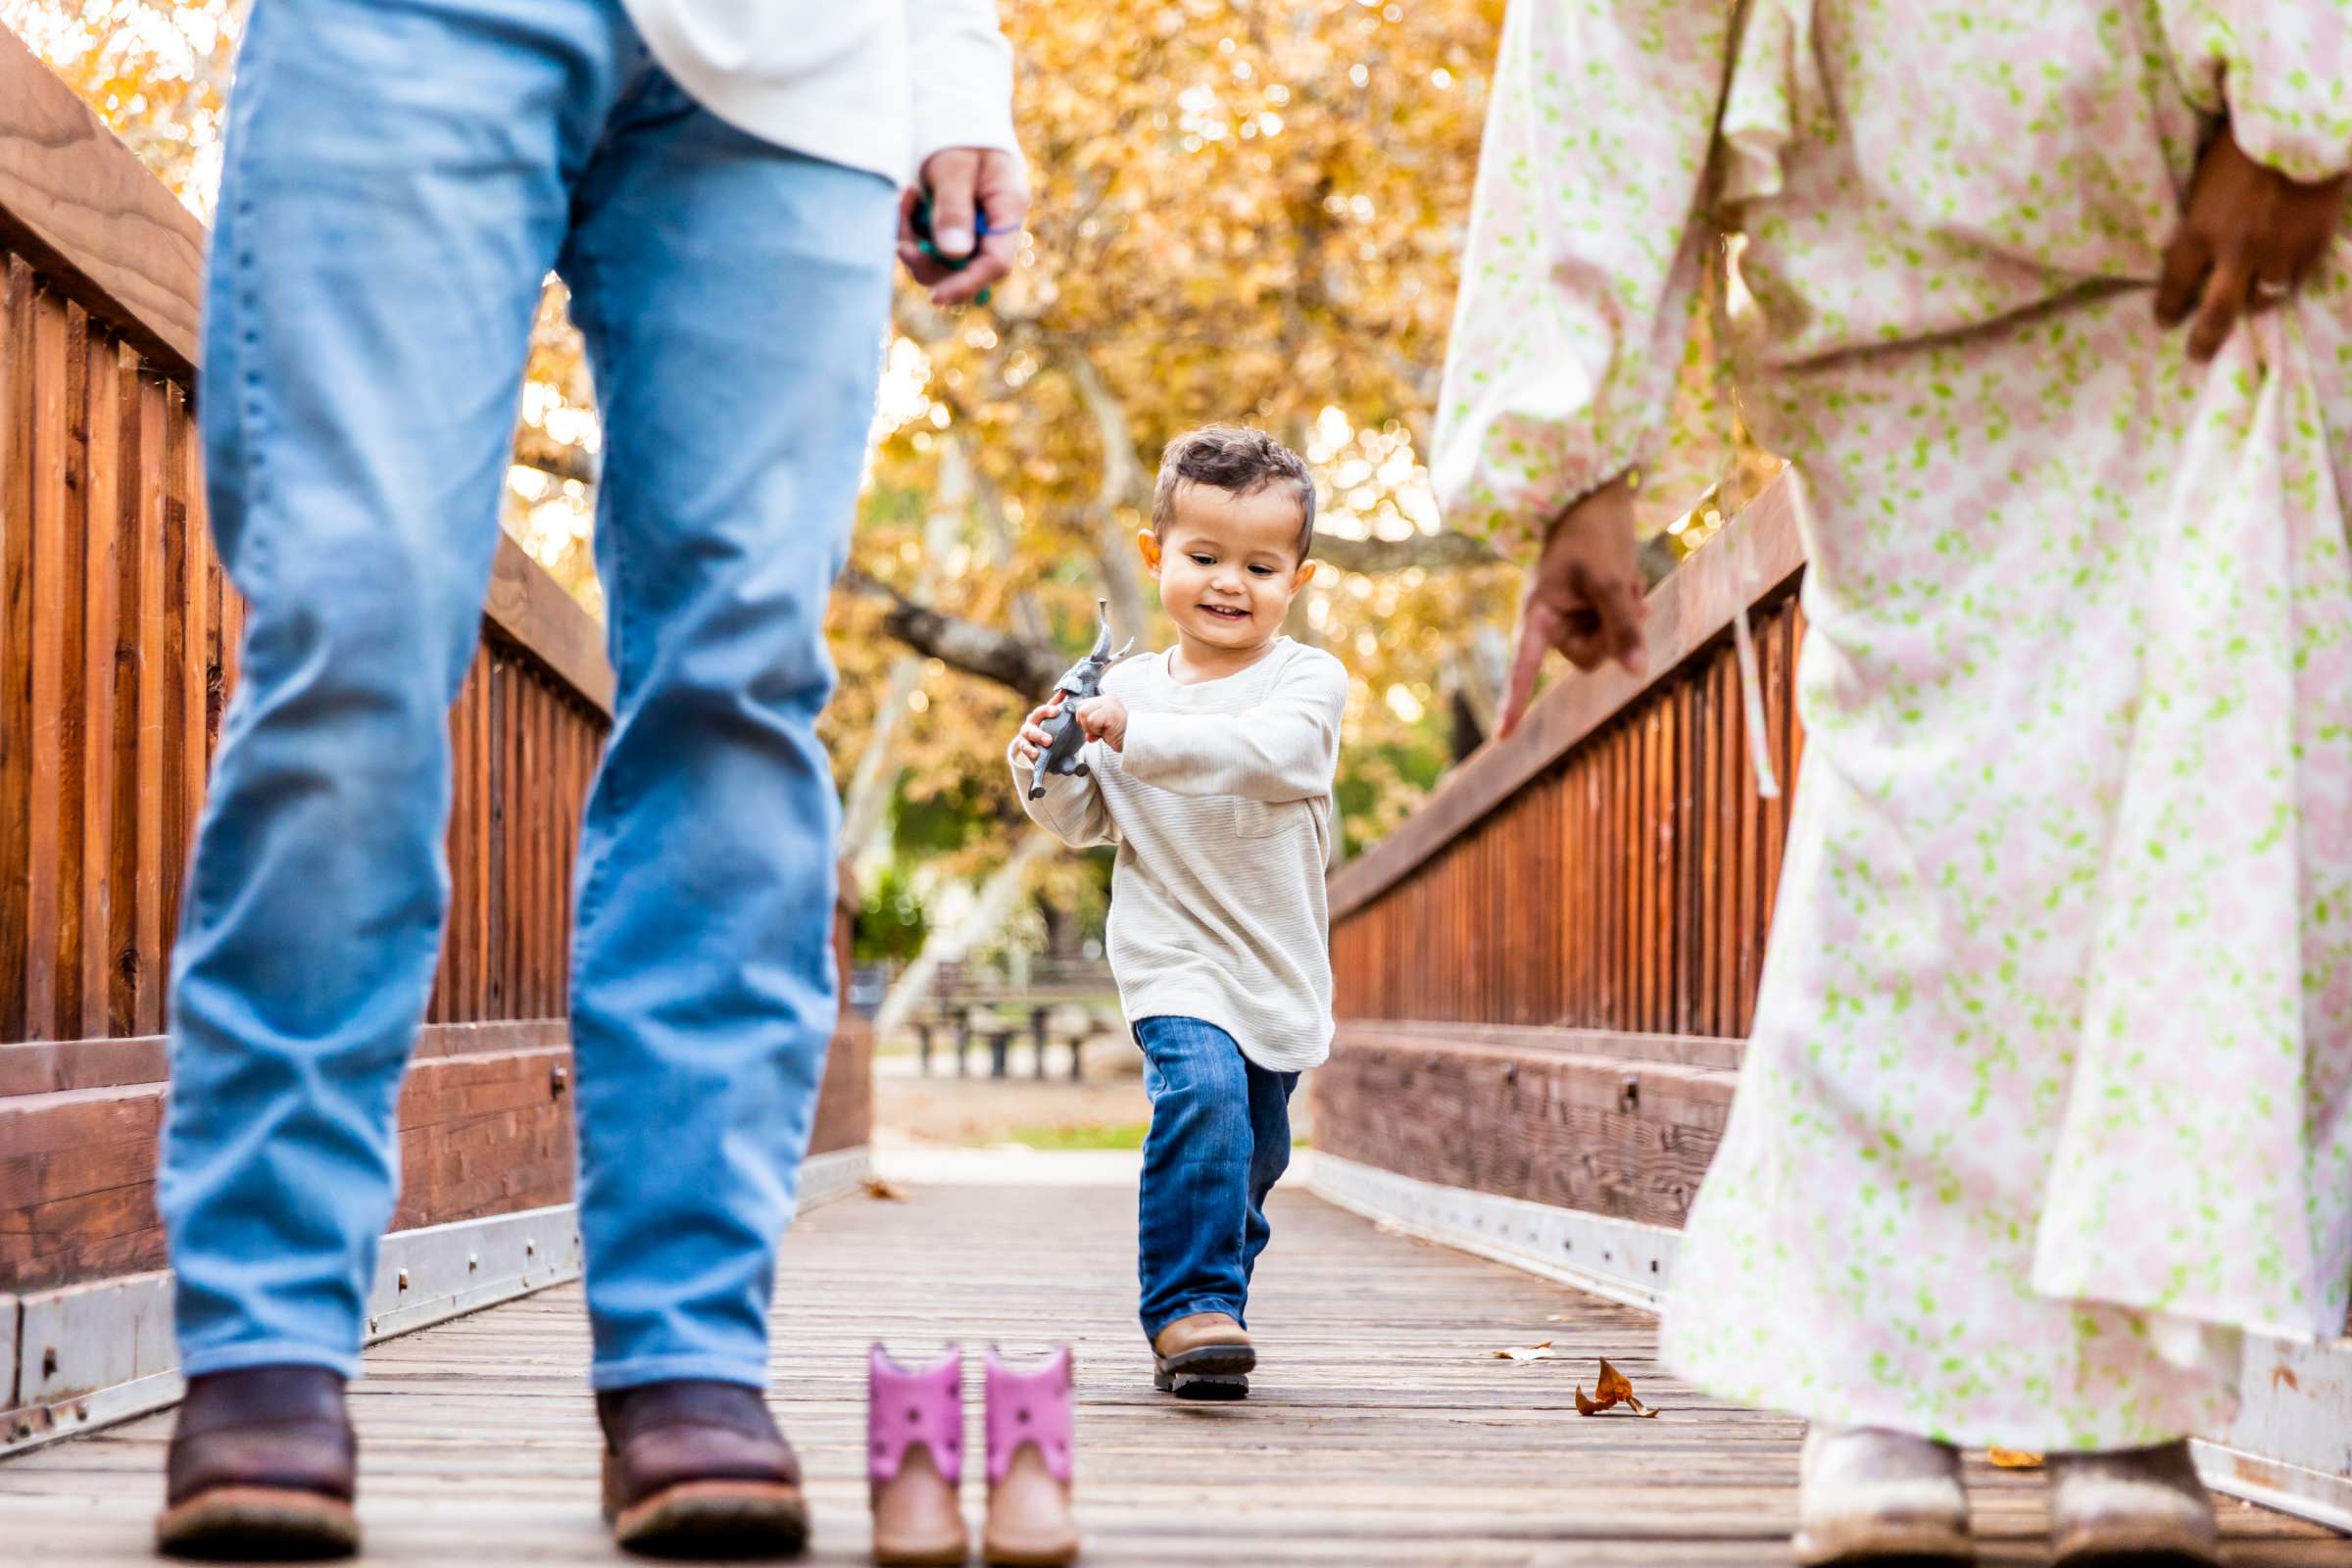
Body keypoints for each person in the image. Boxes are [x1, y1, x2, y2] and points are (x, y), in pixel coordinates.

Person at [1435, 3, 2350, 1564]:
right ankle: (1880, 1374)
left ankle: (2123, 1396)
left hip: (2190, 241)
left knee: (2190, 821)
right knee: (1915, 846)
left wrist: (2313, 117)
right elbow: (1611, 32)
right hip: (1887, 272)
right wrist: (1572, 450)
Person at [153, 0, 1026, 1557]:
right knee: (350, 625)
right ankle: (266, 1337)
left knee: (740, 680)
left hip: (801, 63)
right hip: (402, 34)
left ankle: (688, 1346)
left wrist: (956, 63)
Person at [1008, 426, 1348, 1400]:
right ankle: (1188, 1308)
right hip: (1173, 956)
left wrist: (1138, 733)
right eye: (1203, 557)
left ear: (1299, 577)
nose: (1228, 583)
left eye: (1259, 564)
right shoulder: (1124, 686)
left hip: (1275, 968)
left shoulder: (1304, 682)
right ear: (1158, 556)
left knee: (1251, 1156)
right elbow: (1086, 820)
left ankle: (1213, 1307)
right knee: (1200, 1097)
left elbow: (1273, 755)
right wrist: (1048, 762)